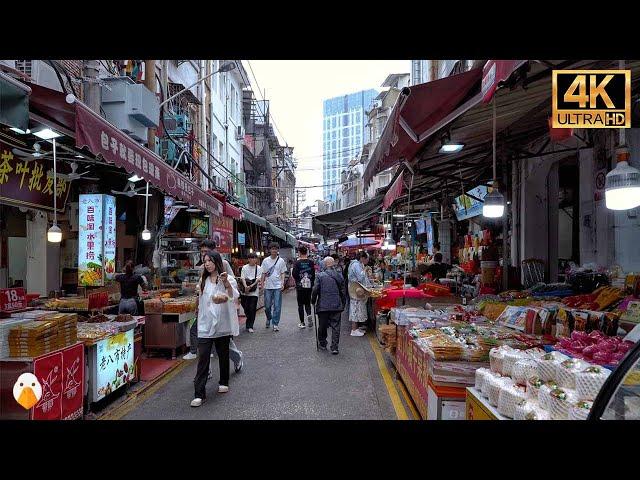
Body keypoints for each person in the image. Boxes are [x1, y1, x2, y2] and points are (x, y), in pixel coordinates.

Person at [185, 239, 242, 374]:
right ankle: (207, 370)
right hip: (206, 309)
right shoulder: (202, 267)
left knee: (225, 342)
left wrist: (233, 301)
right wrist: (197, 303)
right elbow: (202, 287)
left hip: (222, 309)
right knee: (205, 339)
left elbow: (232, 285)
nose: (204, 255)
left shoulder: (224, 264)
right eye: (202, 252)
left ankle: (237, 357)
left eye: (206, 252)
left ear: (214, 251)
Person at [191, 251, 240, 407]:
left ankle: (223, 381)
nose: (207, 264)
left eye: (210, 261)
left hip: (222, 323)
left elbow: (233, 297)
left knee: (223, 354)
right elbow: (200, 298)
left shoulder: (227, 278)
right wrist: (196, 307)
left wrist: (225, 284)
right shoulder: (203, 280)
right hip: (205, 324)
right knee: (203, 358)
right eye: (205, 261)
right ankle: (199, 393)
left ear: (217, 262)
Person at [311, 256, 346, 355]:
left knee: (322, 325)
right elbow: (343, 291)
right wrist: (343, 303)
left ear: (325, 264)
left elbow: (315, 289)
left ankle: (322, 343)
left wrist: (313, 300)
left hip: (323, 305)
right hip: (336, 304)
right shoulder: (339, 275)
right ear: (333, 264)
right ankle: (334, 347)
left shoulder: (320, 275)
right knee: (336, 326)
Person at [260, 242, 288, 332]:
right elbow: (263, 273)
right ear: (269, 250)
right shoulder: (265, 261)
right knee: (267, 306)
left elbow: (283, 272)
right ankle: (269, 317)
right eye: (272, 249)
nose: (274, 250)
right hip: (268, 286)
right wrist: (261, 283)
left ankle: (275, 324)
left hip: (277, 286)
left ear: (277, 250)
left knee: (277, 306)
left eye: (275, 249)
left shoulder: (281, 261)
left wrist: (282, 283)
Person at [347, 251, 371, 337]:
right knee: (355, 309)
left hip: (355, 289)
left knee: (356, 308)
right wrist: (365, 270)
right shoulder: (356, 265)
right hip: (356, 290)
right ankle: (354, 329)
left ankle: (356, 328)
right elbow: (360, 277)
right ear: (362, 258)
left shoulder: (355, 264)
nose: (367, 261)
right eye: (366, 259)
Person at [292, 245, 316, 328]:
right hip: (309, 286)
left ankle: (302, 323)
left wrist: (298, 280)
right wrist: (312, 283)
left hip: (300, 287)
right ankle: (309, 315)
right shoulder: (311, 262)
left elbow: (294, 274)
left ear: (299, 253)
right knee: (307, 303)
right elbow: (313, 274)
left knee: (300, 305)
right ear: (307, 252)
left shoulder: (297, 263)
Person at [240, 252, 262, 333]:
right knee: (246, 308)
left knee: (252, 308)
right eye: (251, 258)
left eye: (254, 258)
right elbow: (242, 278)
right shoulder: (244, 267)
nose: (253, 260)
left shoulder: (259, 268)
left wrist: (250, 286)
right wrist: (246, 287)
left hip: (254, 291)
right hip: (244, 292)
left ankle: (250, 325)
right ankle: (248, 320)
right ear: (248, 259)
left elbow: (258, 279)